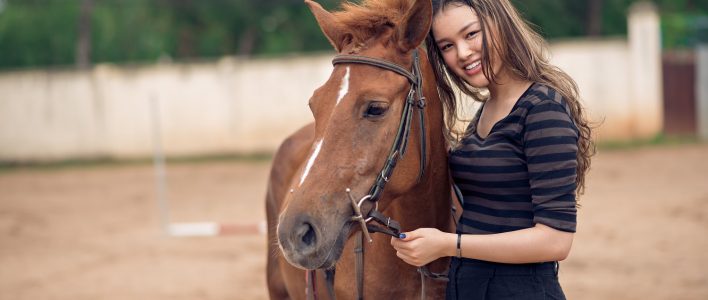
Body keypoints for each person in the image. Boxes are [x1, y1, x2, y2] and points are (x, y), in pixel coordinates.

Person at [390, 0, 594, 299]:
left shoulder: (542, 109)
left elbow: (555, 241)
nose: (462, 53)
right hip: (469, 287)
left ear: (500, 23)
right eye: (447, 45)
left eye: (471, 34)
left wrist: (448, 244)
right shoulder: (488, 110)